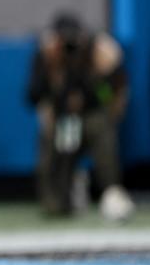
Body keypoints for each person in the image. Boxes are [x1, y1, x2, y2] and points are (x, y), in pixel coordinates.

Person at [26, 12, 135, 221]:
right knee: (62, 143)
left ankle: (112, 192)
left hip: (91, 113)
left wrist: (103, 74)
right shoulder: (47, 55)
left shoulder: (96, 51)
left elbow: (109, 93)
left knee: (100, 129)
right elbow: (33, 96)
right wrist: (51, 68)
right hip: (65, 119)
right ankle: (61, 195)